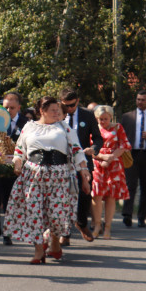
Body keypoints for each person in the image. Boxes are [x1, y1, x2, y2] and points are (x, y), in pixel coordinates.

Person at [5, 96, 90, 264]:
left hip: (59, 176)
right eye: (53, 110)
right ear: (42, 111)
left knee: (57, 215)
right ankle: (38, 250)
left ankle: (54, 242)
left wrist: (84, 171)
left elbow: (77, 150)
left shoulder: (64, 128)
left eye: (58, 110)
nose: (57, 113)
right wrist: (17, 163)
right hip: (33, 174)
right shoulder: (29, 127)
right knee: (34, 212)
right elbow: (19, 150)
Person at [60, 89, 102, 242]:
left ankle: (81, 223)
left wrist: (94, 149)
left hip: (83, 162)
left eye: (71, 105)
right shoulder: (57, 115)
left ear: (77, 101)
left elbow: (98, 138)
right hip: (62, 162)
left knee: (84, 196)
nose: (68, 109)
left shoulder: (88, 115)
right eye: (65, 106)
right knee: (63, 197)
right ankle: (64, 233)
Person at [0, 92, 28, 245]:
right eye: (6, 107)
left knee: (10, 200)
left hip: (15, 167)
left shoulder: (26, 123)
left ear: (18, 107)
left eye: (12, 107)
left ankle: (8, 232)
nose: (9, 110)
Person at [91, 105, 130, 240]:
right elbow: (89, 147)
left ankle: (108, 227)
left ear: (111, 117)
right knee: (96, 195)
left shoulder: (117, 127)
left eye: (106, 119)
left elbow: (124, 145)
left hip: (114, 165)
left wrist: (110, 158)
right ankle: (97, 225)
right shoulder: (93, 128)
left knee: (111, 196)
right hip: (97, 164)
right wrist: (101, 158)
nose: (103, 122)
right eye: (100, 119)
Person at [120, 90, 146, 228]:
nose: (140, 102)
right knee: (130, 185)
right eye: (138, 99)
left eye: (143, 99)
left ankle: (142, 217)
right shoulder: (127, 117)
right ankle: (127, 215)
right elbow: (120, 135)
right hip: (131, 155)